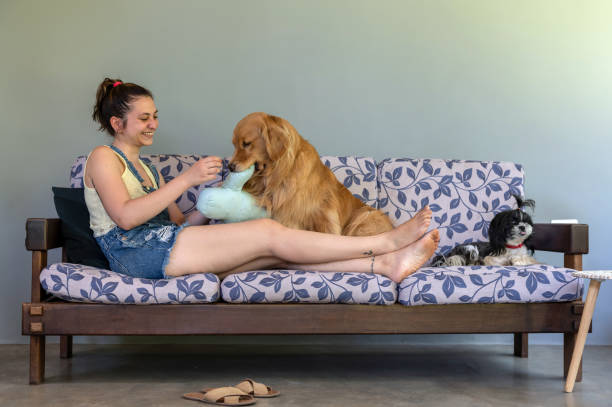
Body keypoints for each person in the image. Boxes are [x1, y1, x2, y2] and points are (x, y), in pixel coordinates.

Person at [85, 77, 440, 283]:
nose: (153, 125)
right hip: (135, 255)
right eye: (144, 118)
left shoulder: (147, 169)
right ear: (118, 124)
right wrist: (185, 180)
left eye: (155, 116)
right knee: (272, 233)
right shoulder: (103, 158)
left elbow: (180, 222)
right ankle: (384, 242)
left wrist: (216, 199)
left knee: (279, 255)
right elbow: (126, 218)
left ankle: (386, 265)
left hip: (170, 244)